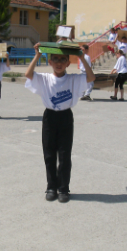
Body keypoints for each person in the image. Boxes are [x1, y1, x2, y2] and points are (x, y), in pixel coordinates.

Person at [25, 42, 95, 203]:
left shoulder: (73, 79)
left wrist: (82, 58)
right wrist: (37, 55)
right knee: (49, 154)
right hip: (49, 117)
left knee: (64, 155)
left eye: (62, 59)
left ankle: (63, 188)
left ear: (68, 63)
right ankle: (51, 187)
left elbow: (91, 78)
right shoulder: (45, 78)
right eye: (55, 59)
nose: (58, 63)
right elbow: (28, 75)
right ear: (50, 62)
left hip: (65, 118)